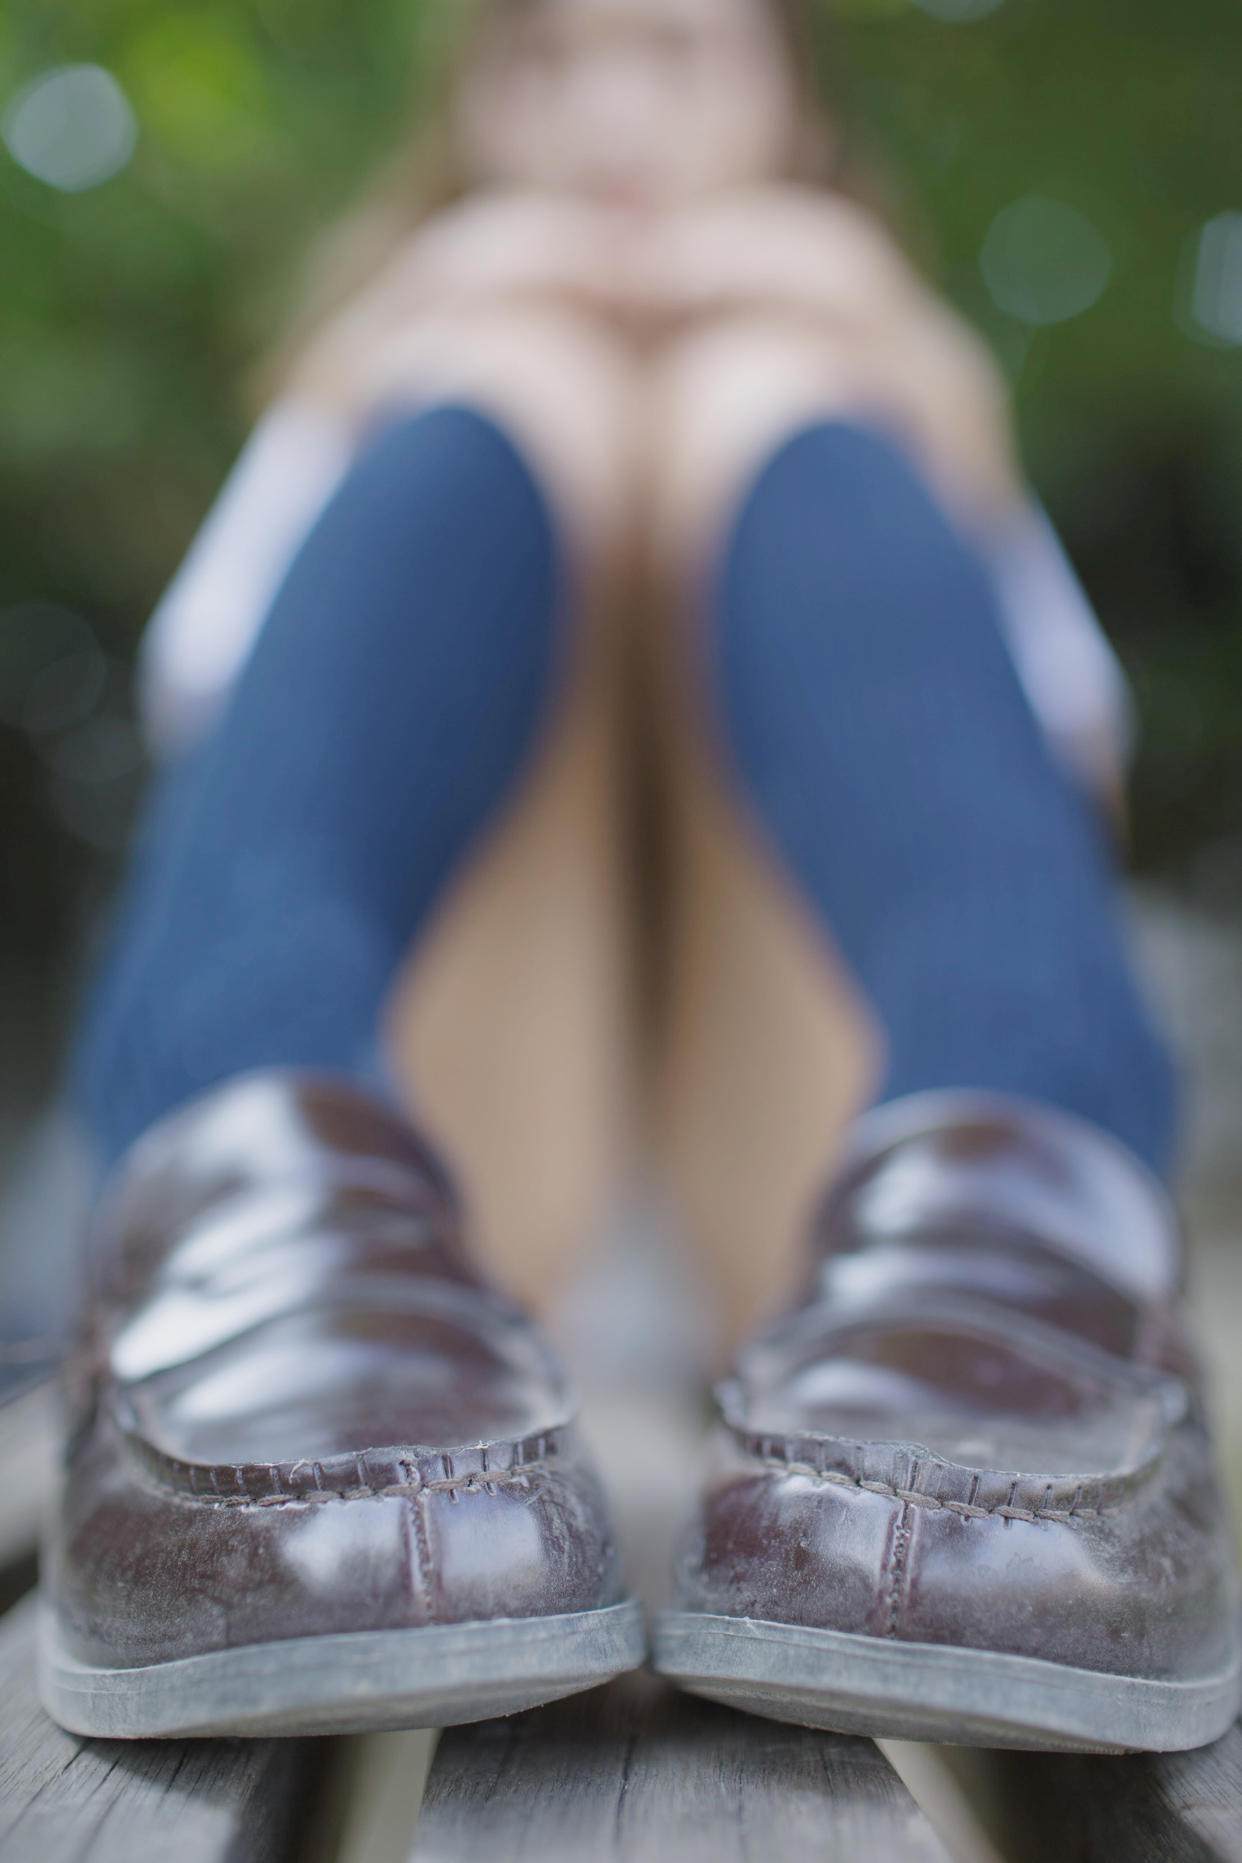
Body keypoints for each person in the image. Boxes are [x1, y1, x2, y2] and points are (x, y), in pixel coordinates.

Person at [40, 0, 1238, 1754]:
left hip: (824, 1203)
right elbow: (241, 756)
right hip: (439, 1181)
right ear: (471, 111)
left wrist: (879, 375)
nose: (609, 116)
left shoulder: (879, 383)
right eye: (540, 59)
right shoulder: (407, 362)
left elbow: (1044, 795)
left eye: (674, 52)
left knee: (757, 390)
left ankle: (1002, 1229)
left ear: (788, 99)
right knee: (532, 389)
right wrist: (429, 365)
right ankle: (259, 1195)